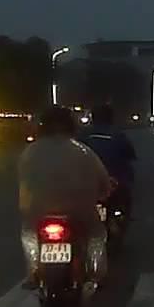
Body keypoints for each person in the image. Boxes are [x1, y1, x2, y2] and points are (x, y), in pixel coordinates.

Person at [18, 106, 112, 290]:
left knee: (29, 235)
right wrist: (102, 193)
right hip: (79, 211)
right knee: (96, 234)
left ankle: (33, 272)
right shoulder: (83, 151)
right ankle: (96, 273)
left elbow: (24, 183)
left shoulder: (29, 153)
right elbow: (103, 181)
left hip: (38, 211)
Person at [80, 104, 137, 217]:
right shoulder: (117, 134)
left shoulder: (84, 134)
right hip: (114, 179)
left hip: (89, 180)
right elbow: (130, 153)